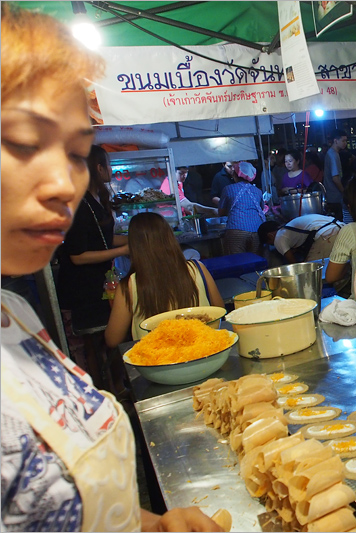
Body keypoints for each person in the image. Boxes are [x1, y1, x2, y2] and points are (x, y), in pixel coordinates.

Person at [0, 5, 220, 531]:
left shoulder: (17, 315)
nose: (65, 185)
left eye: (76, 153)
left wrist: (151, 524)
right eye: (24, 142)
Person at [105, 213, 224, 347]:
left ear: (133, 246)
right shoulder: (198, 268)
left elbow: (112, 339)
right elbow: (219, 310)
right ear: (170, 238)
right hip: (205, 348)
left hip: (158, 360)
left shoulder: (129, 285)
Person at [56, 145, 129, 338]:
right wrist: (123, 250)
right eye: (109, 164)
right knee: (88, 346)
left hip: (99, 284)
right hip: (80, 291)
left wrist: (136, 239)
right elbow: (78, 256)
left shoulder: (96, 197)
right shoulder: (79, 204)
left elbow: (104, 239)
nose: (111, 169)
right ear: (98, 168)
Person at [218, 161, 266, 254]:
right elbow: (261, 209)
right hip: (256, 230)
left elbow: (221, 212)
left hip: (236, 230)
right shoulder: (257, 191)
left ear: (235, 175)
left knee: (239, 261)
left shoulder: (228, 189)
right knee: (255, 260)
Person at [258, 214, 343, 264]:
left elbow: (294, 264)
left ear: (270, 236)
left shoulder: (278, 238)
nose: (274, 246)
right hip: (343, 228)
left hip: (327, 235)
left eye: (270, 243)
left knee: (311, 271)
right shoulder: (289, 228)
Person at [323, 129, 347, 220]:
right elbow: (335, 178)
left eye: (346, 141)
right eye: (343, 140)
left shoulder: (331, 153)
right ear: (335, 141)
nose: (345, 143)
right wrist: (344, 192)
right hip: (335, 197)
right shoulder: (333, 155)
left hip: (331, 196)